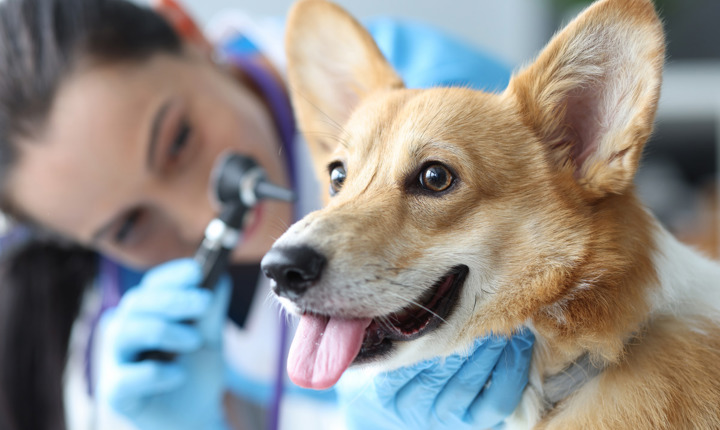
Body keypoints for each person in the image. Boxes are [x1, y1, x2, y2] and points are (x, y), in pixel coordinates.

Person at [0, 0, 534, 429]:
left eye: (179, 142)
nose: (202, 213)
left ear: (188, 29)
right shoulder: (125, 300)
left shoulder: (448, 114)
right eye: (128, 225)